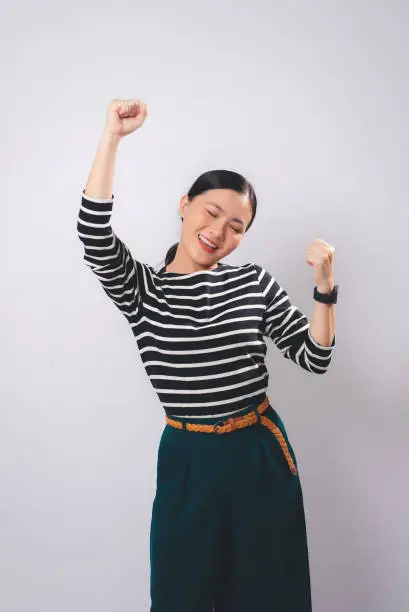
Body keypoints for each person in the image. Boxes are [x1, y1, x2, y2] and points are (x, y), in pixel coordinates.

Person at [77, 99, 337, 612]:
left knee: (270, 595)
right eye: (212, 212)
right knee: (181, 596)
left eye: (237, 226)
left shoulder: (252, 283)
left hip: (259, 454)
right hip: (188, 459)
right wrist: (111, 138)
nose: (220, 232)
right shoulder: (144, 290)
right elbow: (94, 235)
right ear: (184, 204)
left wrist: (325, 289)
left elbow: (314, 357)